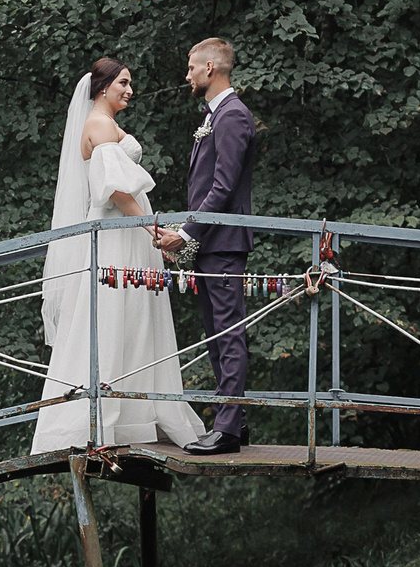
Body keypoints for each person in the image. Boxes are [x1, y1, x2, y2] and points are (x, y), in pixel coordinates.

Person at [30, 58, 207, 454]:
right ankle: (99, 420)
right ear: (102, 86)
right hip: (117, 236)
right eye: (123, 83)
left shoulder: (101, 123)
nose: (130, 90)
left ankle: (133, 415)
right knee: (111, 315)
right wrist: (153, 231)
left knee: (133, 316)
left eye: (130, 83)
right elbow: (115, 190)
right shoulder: (99, 124)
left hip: (125, 234)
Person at [156, 37, 258, 455]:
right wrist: (187, 233)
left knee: (228, 333)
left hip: (224, 243)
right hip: (210, 242)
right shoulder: (213, 116)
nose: (187, 75)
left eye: (191, 67)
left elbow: (223, 187)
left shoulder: (232, 116)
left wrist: (186, 233)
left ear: (211, 68)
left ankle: (228, 427)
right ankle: (235, 421)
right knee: (217, 335)